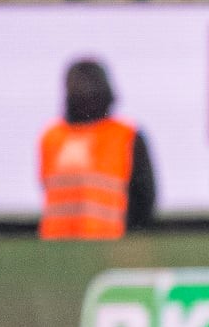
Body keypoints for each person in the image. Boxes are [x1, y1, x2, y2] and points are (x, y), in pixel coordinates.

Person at [38, 59, 156, 240]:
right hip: (58, 249)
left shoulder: (126, 136)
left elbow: (144, 200)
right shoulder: (52, 137)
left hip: (108, 248)